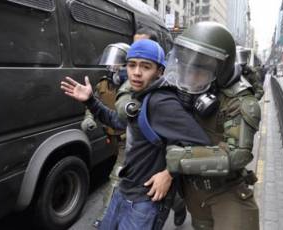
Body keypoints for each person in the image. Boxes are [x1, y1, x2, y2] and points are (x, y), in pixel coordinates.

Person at [61, 39, 211, 230]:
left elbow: (202, 146)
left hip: (145, 201)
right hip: (124, 189)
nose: (137, 72)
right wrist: (91, 101)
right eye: (132, 65)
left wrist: (170, 173)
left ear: (160, 71)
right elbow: (120, 121)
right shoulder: (140, 95)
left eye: (145, 67)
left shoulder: (162, 102)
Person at [146, 21, 261, 230]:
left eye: (199, 70)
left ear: (220, 70)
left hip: (226, 194)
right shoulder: (181, 90)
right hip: (194, 197)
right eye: (184, 67)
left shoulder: (240, 101)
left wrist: (178, 159)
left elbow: (237, 155)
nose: (188, 76)